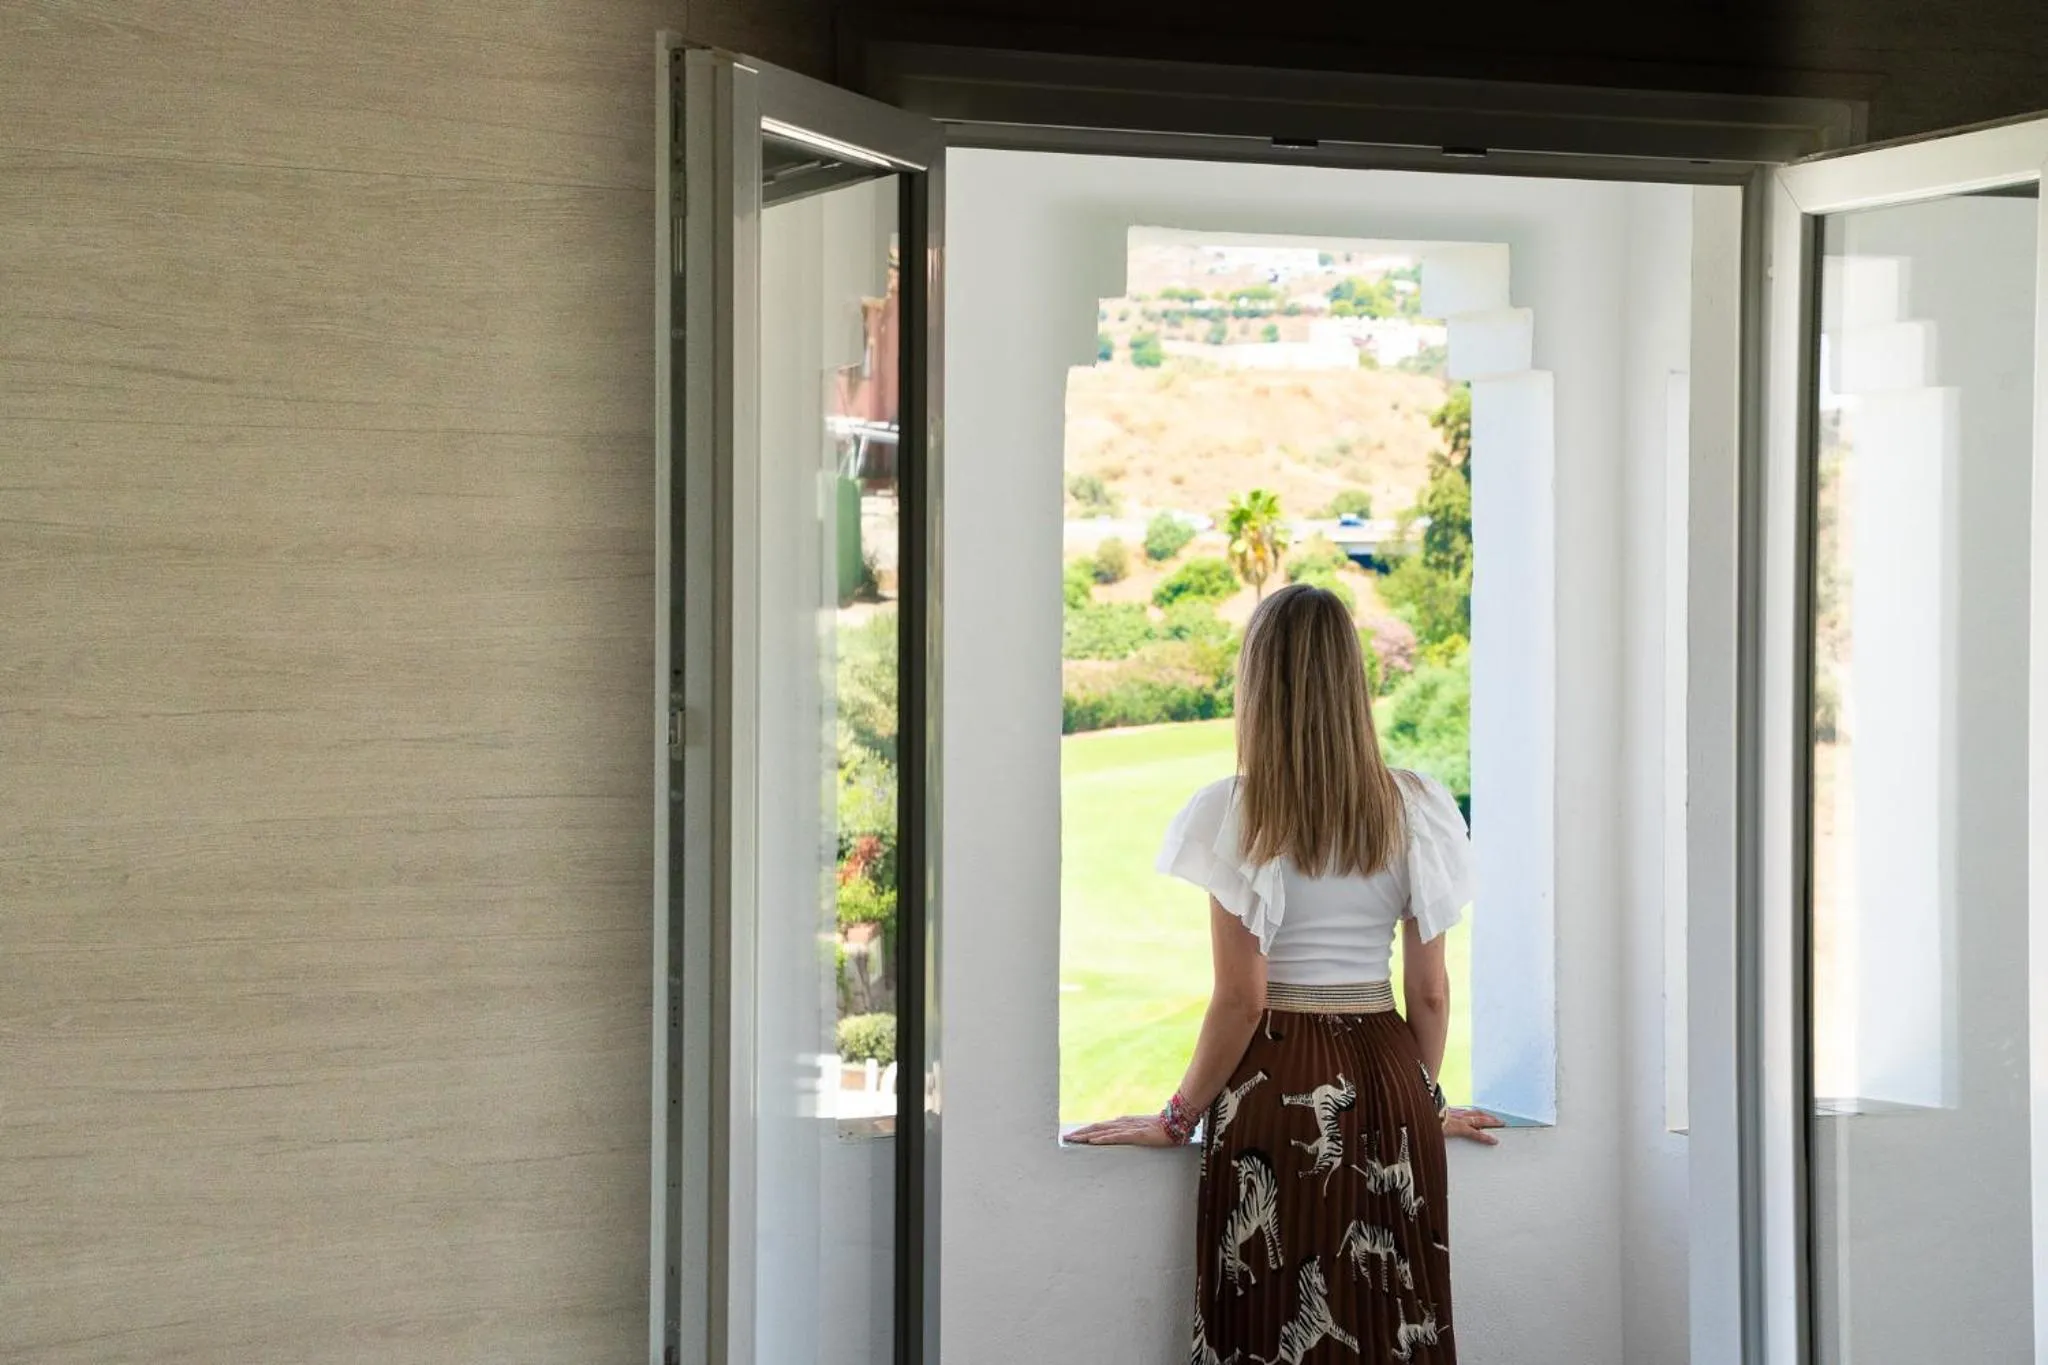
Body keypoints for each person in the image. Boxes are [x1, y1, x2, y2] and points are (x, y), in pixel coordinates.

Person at [1069, 583, 1500, 1365]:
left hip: (1273, 1084)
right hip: (1388, 1074)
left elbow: (1241, 997)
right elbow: (1430, 992)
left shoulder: (1235, 812)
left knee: (1271, 1320)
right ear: (1353, 682)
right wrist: (1418, 1097)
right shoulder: (1415, 807)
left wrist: (1174, 1117)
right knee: (1389, 1321)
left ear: (1257, 684)